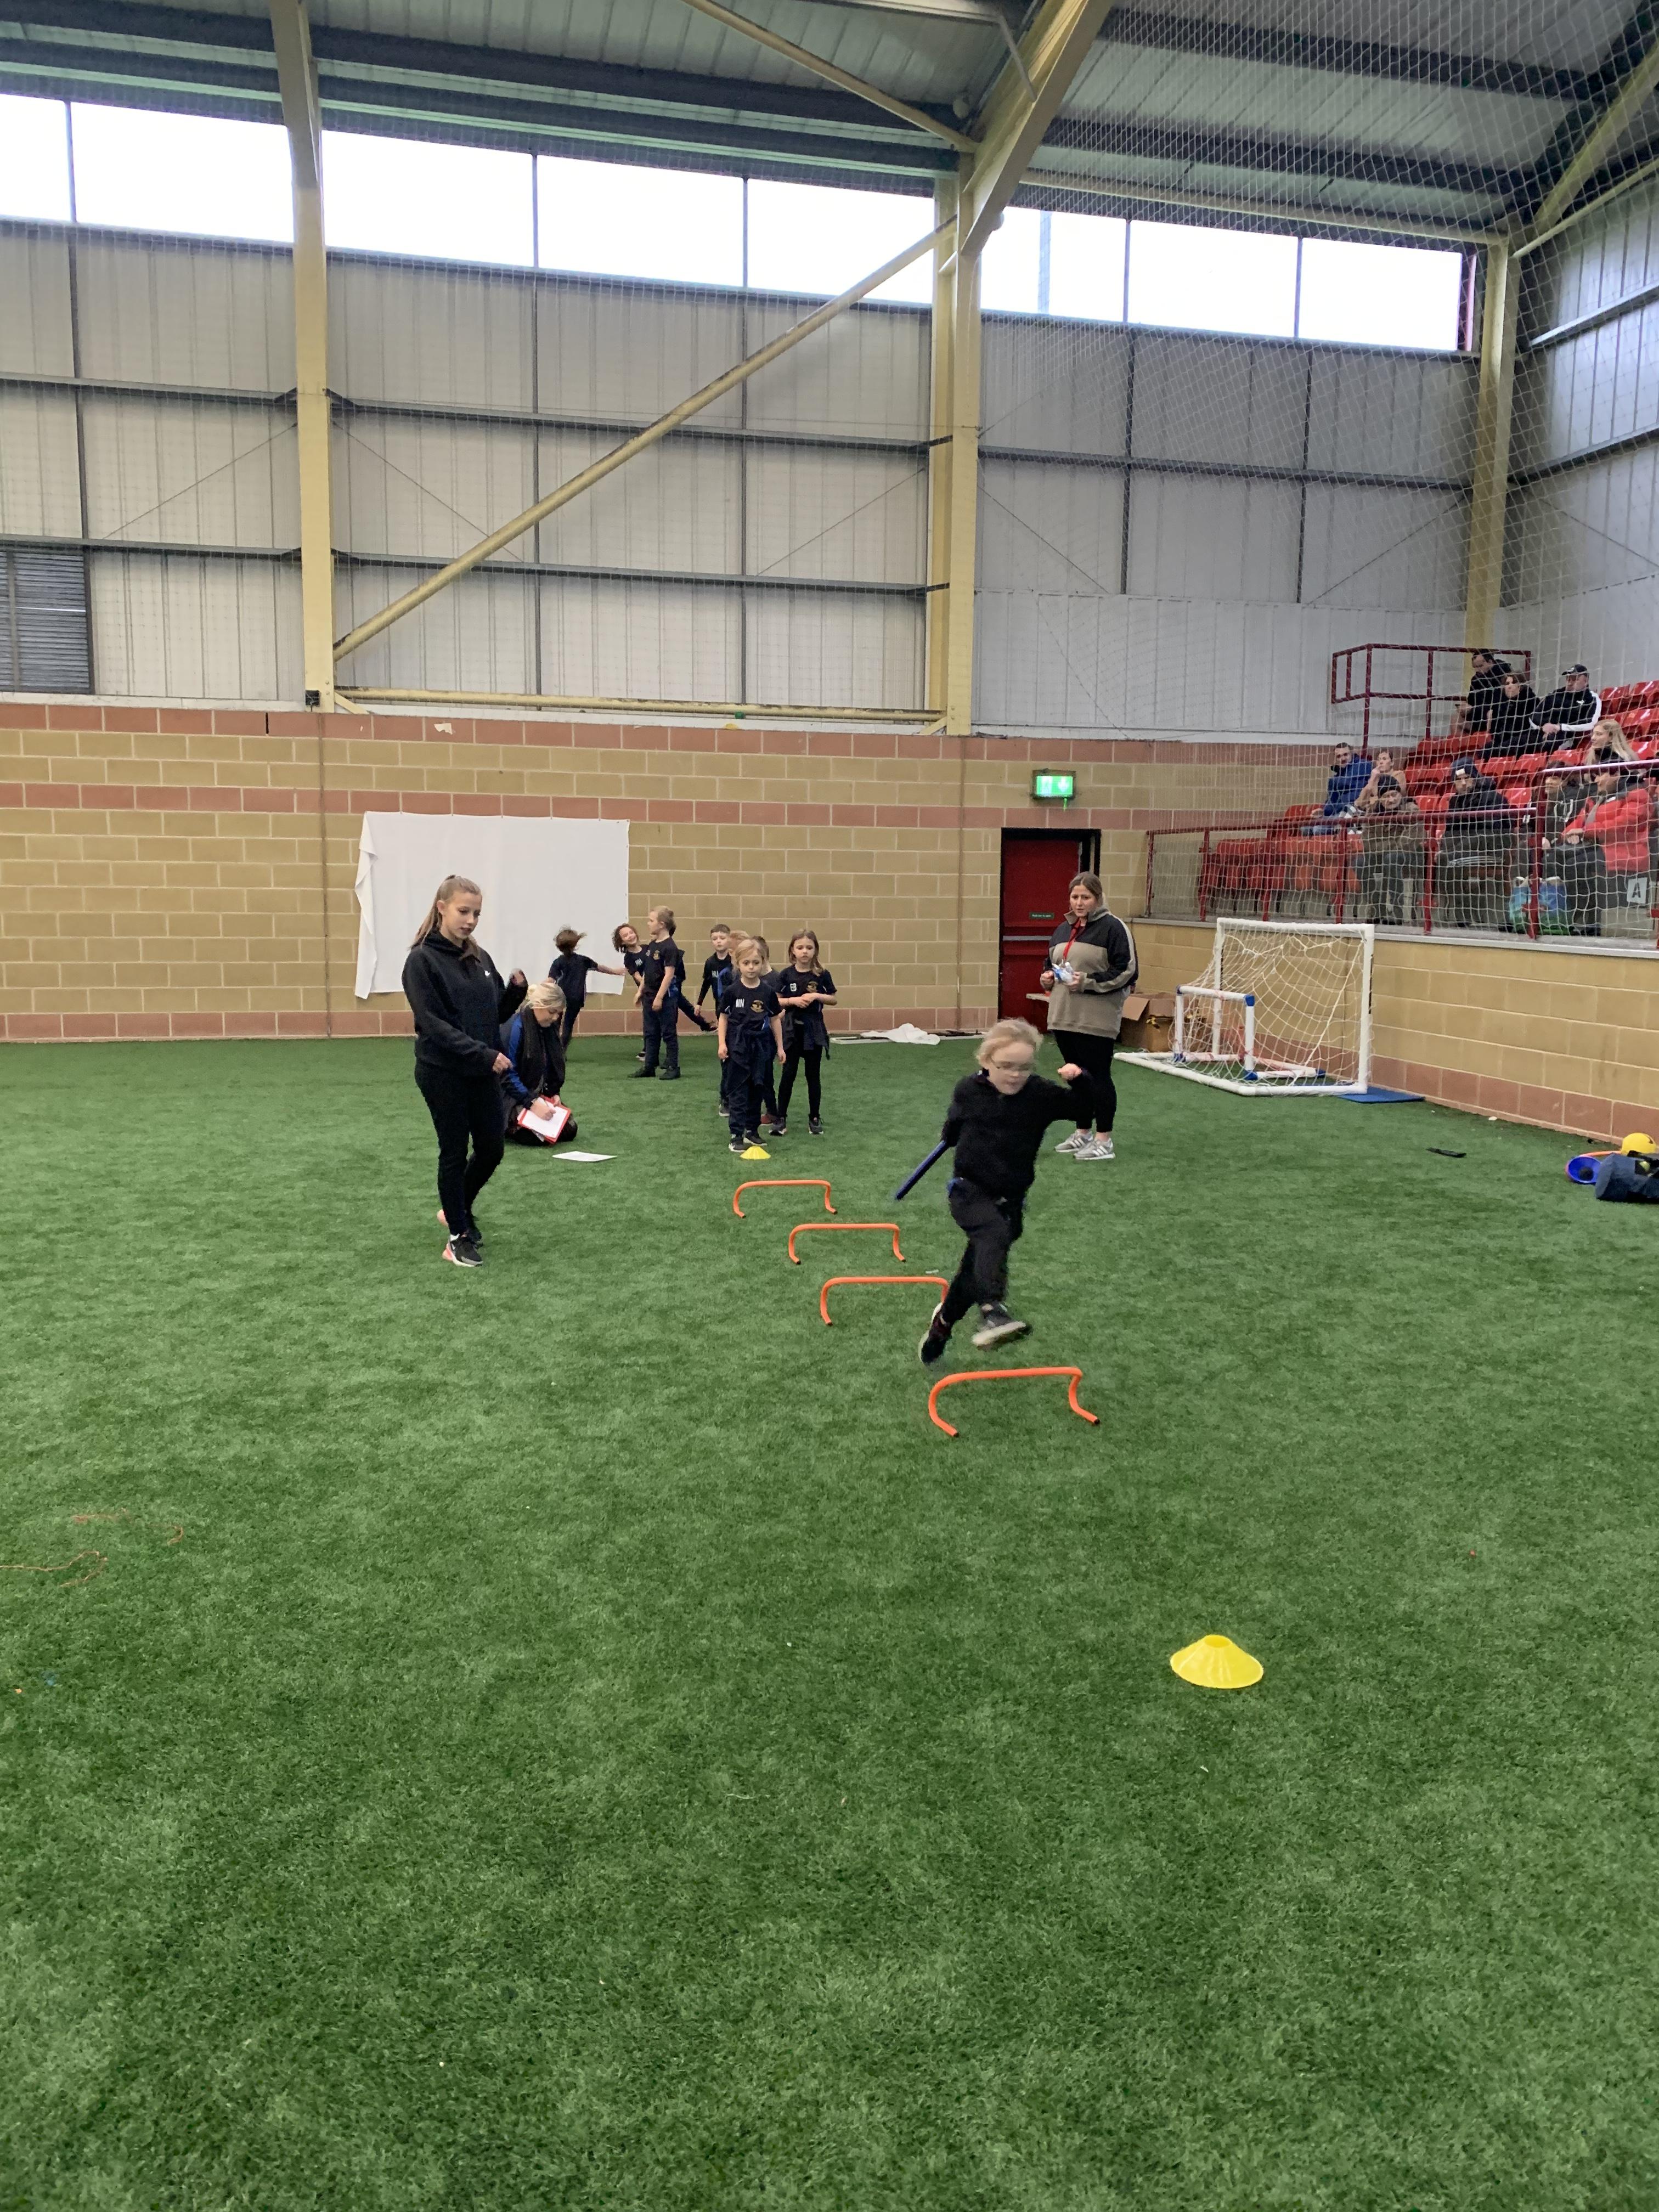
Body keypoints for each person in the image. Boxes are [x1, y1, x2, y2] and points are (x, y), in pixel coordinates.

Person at [918, 1019, 1092, 1363]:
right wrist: (954, 1132)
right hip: (969, 1191)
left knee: (975, 1270)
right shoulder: (968, 1090)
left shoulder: (1039, 1094)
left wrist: (1080, 1081)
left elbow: (1083, 1109)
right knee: (992, 1234)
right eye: (1006, 1066)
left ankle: (942, 1325)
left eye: (1024, 1067)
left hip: (1011, 1199)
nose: (1015, 1075)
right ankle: (992, 1311)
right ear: (986, 1061)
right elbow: (952, 1130)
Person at [402, 873, 526, 1269]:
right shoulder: (421, 960)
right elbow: (433, 1024)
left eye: (476, 914)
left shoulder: (480, 958)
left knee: (492, 1149)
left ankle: (456, 1208)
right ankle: (457, 1236)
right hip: (443, 1072)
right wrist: (483, 1054)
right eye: (463, 911)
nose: (470, 920)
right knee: (454, 1151)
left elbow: (494, 1015)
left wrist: (516, 993)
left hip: (481, 1070)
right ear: (442, 908)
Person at [1040, 872, 1135, 1161]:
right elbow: (1050, 965)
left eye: (1086, 897)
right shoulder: (1062, 929)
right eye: (1075, 897)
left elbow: (1127, 971)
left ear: (1098, 898)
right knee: (1076, 1076)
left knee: (1098, 1077)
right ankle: (1082, 1132)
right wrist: (1046, 979)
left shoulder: (1114, 928)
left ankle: (1104, 1140)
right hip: (1063, 1016)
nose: (1079, 903)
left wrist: (1087, 982)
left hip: (1096, 1019)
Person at [1549, 767, 1655, 936]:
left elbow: (1624, 824)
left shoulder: (1637, 795)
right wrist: (1564, 836)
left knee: (1576, 864)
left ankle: (1586, 920)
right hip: (1596, 847)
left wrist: (1586, 832)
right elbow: (1580, 821)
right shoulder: (1596, 799)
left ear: (1616, 775)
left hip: (1624, 852)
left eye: (1600, 775)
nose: (1596, 781)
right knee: (1553, 857)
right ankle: (1556, 915)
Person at [718, 936, 785, 1154]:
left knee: (758, 1088)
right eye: (746, 963)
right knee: (738, 1091)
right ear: (738, 964)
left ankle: (752, 1131)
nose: (751, 967)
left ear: (763, 962)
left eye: (756, 962)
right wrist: (722, 1044)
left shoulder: (767, 992)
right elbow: (723, 1018)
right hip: (738, 1046)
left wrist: (780, 1047)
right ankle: (736, 1135)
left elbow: (775, 1019)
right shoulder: (732, 991)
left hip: (761, 1047)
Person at [773, 929, 837, 1137]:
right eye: (800, 947)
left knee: (813, 1075)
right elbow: (775, 1001)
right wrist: (793, 1001)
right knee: (788, 1074)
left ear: (815, 950)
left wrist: (817, 996)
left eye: (809, 948)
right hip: (792, 1030)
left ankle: (815, 1118)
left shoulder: (822, 974)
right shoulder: (786, 974)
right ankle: (781, 1118)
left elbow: (833, 999)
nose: (805, 952)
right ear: (792, 950)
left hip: (814, 1029)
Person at [500, 980, 579, 1144]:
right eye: (552, 1012)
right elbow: (507, 1075)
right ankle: (510, 1124)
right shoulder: (515, 1028)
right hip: (512, 1097)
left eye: (558, 1013)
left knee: (570, 1129)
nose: (555, 1018)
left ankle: (521, 1124)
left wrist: (553, 1094)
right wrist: (532, 1102)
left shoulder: (548, 1028)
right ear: (539, 1005)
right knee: (535, 1137)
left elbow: (551, 1066)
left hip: (538, 1094)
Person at [1436, 760, 1510, 928]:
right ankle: (1462, 912)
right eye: (1458, 780)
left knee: (1450, 859)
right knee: (1442, 859)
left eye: (1467, 778)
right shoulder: (1455, 801)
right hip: (1464, 851)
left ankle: (1466, 913)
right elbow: (1450, 831)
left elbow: (1490, 833)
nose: (1463, 783)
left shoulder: (1492, 797)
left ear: (1476, 777)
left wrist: (1454, 850)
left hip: (1491, 849)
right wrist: (1444, 849)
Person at [1357, 785, 1423, 925]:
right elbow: (1368, 842)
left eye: (1394, 794)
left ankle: (1397, 910)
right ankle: (1376, 908)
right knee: (1360, 863)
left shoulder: (1412, 810)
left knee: (1392, 858)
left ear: (1401, 795)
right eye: (1386, 796)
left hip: (1412, 855)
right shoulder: (1373, 812)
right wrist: (1391, 843)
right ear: (1380, 799)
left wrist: (1384, 845)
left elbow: (1408, 842)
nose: (1391, 800)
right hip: (1382, 856)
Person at [635, 906, 687, 1080]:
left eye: (651, 921)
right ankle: (649, 1066)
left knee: (668, 1033)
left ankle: (673, 1067)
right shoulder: (653, 944)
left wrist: (659, 997)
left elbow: (669, 974)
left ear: (662, 924)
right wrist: (641, 991)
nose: (648, 924)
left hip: (665, 998)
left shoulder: (670, 947)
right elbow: (648, 971)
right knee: (650, 1033)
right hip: (649, 996)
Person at [549, 928, 622, 1047]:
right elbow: (600, 968)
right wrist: (615, 972)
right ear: (575, 945)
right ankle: (562, 1049)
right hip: (576, 996)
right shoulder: (583, 960)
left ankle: (554, 1049)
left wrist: (541, 989)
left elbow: (550, 980)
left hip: (561, 995)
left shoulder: (558, 962)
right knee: (568, 1024)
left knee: (555, 1022)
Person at [699, 923, 737, 1119]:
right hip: (722, 1012)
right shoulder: (710, 963)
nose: (719, 942)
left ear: (729, 939)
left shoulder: (736, 962)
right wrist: (699, 1002)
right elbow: (706, 983)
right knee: (725, 1055)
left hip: (739, 1012)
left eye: (722, 938)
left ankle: (741, 1097)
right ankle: (726, 1098)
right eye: (715, 939)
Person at [1533, 663, 1602, 747]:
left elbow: (1591, 723)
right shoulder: (1555, 695)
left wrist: (1561, 727)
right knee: (1521, 742)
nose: (1570, 683)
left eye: (1574, 679)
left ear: (1586, 681)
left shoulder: (1591, 698)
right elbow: (1535, 715)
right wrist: (1545, 726)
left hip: (1568, 735)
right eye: (1568, 679)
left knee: (1549, 743)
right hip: (1544, 730)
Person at [1482, 670, 1543, 759]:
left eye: (1514, 683)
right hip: (1503, 743)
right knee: (1485, 749)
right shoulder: (1500, 706)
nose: (1510, 686)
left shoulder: (1531, 702)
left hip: (1523, 741)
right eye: (1507, 684)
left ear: (1521, 686)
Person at [1452, 650, 1510, 740]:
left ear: (1490, 662)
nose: (1477, 670)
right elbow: (1472, 700)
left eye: (1480, 666)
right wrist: (1465, 706)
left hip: (1497, 716)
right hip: (1478, 715)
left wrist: (1473, 709)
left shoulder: (1503, 677)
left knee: (1491, 714)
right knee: (1455, 719)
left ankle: (1490, 743)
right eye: (1475, 667)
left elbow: (1498, 704)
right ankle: (1461, 747)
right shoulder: (1476, 680)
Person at [613, 922, 645, 1058]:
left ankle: (704, 1024)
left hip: (663, 989)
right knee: (649, 1021)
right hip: (648, 992)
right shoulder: (629, 958)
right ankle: (648, 1049)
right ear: (622, 942)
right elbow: (637, 977)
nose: (630, 936)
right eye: (626, 936)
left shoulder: (648, 949)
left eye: (631, 933)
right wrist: (645, 988)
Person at [1319, 743, 1371, 822]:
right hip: (1337, 814)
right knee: (1307, 828)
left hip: (1354, 810)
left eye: (1346, 755)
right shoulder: (1335, 779)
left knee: (1319, 828)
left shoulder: (1364, 766)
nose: (1343, 759)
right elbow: (1331, 802)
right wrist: (1322, 812)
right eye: (1339, 756)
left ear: (1352, 754)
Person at [1351, 748, 1405, 814]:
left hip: (1393, 809)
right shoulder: (1373, 778)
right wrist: (1373, 779)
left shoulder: (1398, 774)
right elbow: (1359, 802)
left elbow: (1400, 794)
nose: (1381, 762)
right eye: (1378, 760)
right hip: (1372, 811)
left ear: (1392, 763)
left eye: (1384, 759)